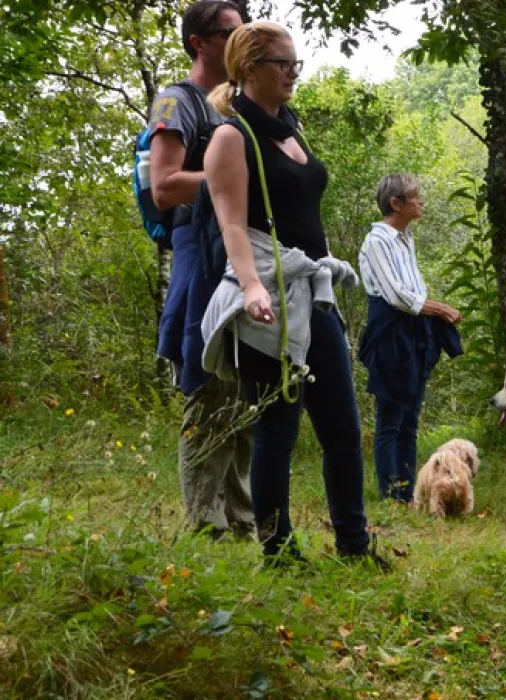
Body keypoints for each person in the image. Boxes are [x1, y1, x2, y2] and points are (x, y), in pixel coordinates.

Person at [198, 21, 386, 569]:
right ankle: (278, 553)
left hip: (312, 291)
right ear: (248, 67)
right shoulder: (232, 137)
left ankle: (355, 545)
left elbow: (309, 216)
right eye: (282, 63)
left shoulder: (292, 127)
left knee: (344, 431)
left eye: (296, 63)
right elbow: (232, 225)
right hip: (270, 299)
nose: (293, 73)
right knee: (276, 434)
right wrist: (253, 287)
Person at [150, 0, 254, 539]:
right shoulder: (179, 101)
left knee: (249, 394)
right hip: (203, 253)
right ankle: (204, 524)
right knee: (207, 386)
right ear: (201, 42)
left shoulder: (246, 103)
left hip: (250, 255)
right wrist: (226, 172)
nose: (244, 39)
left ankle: (243, 519)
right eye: (231, 32)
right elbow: (165, 188)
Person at [356, 173, 463, 503]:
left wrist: (429, 313)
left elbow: (412, 291)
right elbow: (396, 296)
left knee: (410, 417)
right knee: (391, 415)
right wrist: (440, 309)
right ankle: (391, 492)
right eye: (414, 197)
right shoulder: (377, 241)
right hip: (390, 332)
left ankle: (410, 490)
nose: (421, 202)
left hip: (414, 332)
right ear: (396, 203)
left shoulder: (405, 240)